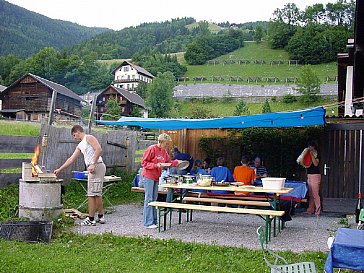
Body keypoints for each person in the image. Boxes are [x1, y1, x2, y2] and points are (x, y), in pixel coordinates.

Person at [54, 125, 106, 226]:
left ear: (78, 132)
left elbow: (98, 149)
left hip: (97, 166)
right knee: (96, 193)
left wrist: (93, 163)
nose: (74, 137)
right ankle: (101, 216)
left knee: (91, 194)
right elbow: (71, 159)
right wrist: (60, 169)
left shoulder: (89, 138)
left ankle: (91, 219)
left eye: (74, 135)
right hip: (93, 168)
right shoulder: (80, 145)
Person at [141, 133, 179, 229]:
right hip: (148, 176)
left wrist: (177, 162)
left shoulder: (164, 152)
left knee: (154, 198)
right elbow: (144, 163)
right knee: (149, 198)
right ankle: (148, 222)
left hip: (156, 176)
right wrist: (155, 165)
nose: (167, 145)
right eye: (166, 143)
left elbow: (168, 163)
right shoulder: (151, 149)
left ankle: (154, 221)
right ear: (161, 142)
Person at [305, 141, 321, 216]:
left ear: (314, 147)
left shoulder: (317, 154)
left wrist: (311, 155)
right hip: (309, 175)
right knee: (310, 194)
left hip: (315, 175)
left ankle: (318, 210)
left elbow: (316, 164)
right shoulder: (307, 154)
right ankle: (310, 210)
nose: (309, 148)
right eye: (309, 147)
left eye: (311, 146)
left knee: (315, 194)